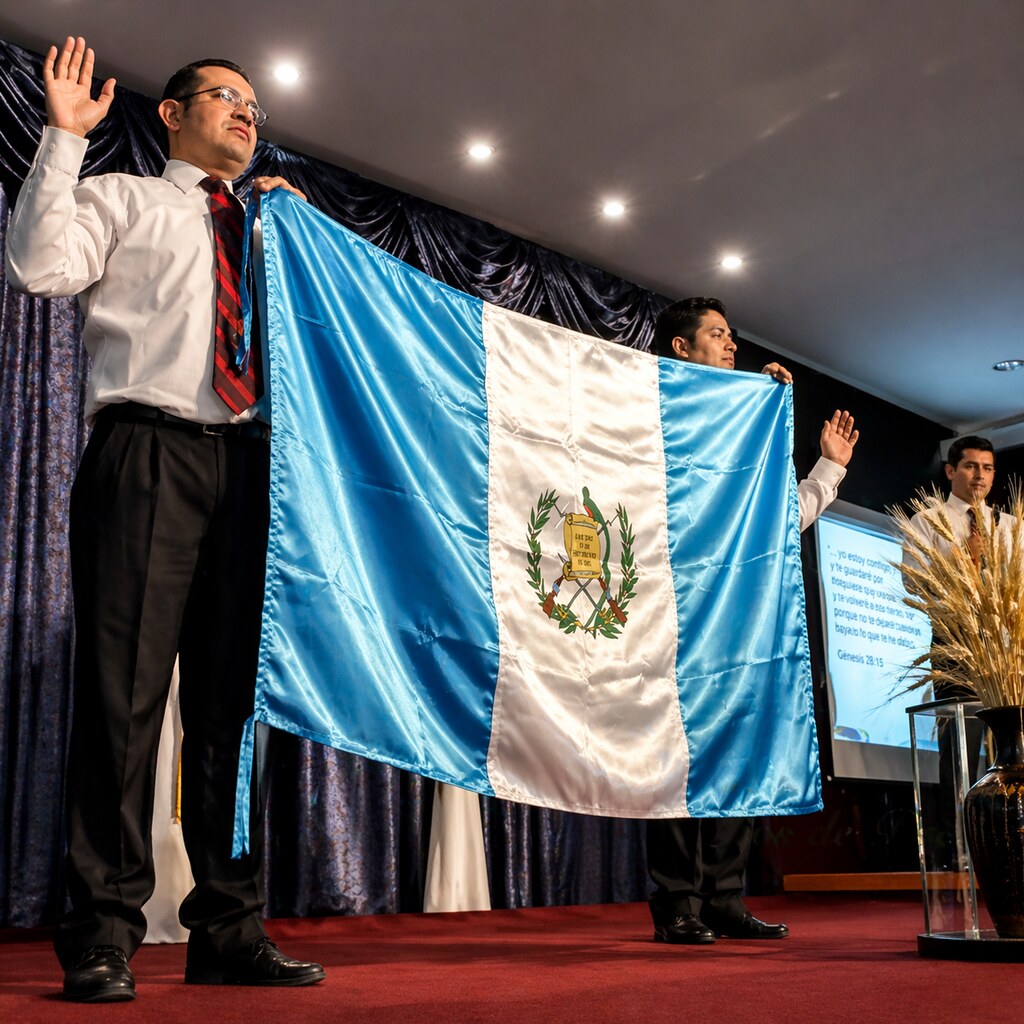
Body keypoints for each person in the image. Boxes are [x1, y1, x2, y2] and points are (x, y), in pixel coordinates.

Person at [5, 36, 324, 1000]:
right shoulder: (126, 198)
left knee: (233, 713)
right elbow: (38, 267)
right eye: (226, 97)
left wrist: (312, 251)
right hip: (148, 452)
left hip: (256, 465)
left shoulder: (278, 231)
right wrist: (63, 142)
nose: (246, 114)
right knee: (123, 703)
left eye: (256, 108)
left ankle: (229, 925)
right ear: (174, 114)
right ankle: (103, 932)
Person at [646, 296, 858, 944]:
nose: (732, 344)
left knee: (738, 755)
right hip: (676, 613)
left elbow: (776, 523)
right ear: (681, 348)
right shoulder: (652, 413)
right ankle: (677, 903)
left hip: (742, 620)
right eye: (717, 335)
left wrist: (827, 466)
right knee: (677, 760)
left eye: (732, 336)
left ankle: (725, 899)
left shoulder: (750, 424)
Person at [902, 436, 1013, 866]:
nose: (979, 475)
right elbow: (914, 583)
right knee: (962, 751)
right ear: (951, 471)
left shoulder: (1009, 525)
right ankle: (965, 850)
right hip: (953, 642)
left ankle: (1008, 843)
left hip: (1003, 646)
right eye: (970, 466)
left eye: (987, 468)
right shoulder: (927, 522)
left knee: (1009, 749)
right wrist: (966, 560)